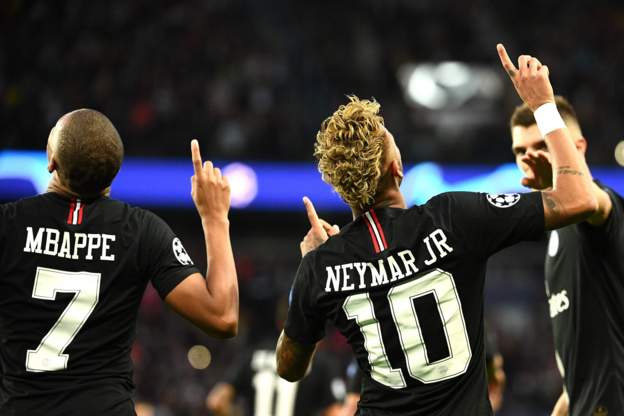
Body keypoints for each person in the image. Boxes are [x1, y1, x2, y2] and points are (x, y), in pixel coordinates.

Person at [275, 44, 598, 415]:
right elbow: (579, 199)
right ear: (397, 168)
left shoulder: (322, 265)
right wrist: (543, 105)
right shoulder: (452, 216)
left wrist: (310, 267)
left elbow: (289, 367)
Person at [0, 109, 239, 415]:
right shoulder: (141, 230)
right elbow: (222, 316)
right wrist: (215, 218)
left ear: (52, 161)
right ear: (114, 172)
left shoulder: (9, 224)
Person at [509, 96, 624, 415]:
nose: (530, 157)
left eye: (542, 144)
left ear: (578, 147)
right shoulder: (560, 231)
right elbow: (582, 377)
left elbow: (590, 201)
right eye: (520, 151)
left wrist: (544, 105)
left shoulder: (599, 210)